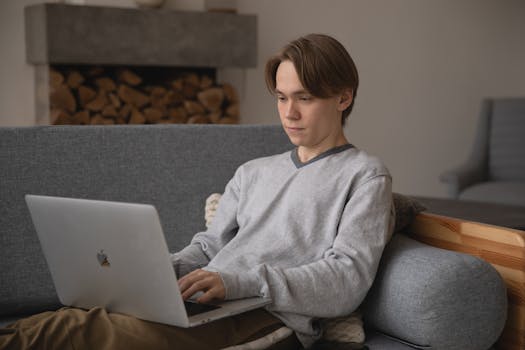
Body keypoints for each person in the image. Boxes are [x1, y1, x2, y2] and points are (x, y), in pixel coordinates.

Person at [0, 33, 394, 350]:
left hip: (265, 316)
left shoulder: (364, 175)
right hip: (211, 305)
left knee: (78, 331)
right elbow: (207, 248)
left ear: (344, 97)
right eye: (281, 97)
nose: (289, 113)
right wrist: (156, 271)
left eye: (304, 98)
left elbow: (347, 279)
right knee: (63, 322)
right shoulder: (253, 172)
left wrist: (238, 283)